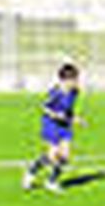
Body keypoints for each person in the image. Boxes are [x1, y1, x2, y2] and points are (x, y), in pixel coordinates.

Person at [23, 63, 84, 193]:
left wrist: (75, 118)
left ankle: (51, 182)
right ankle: (31, 171)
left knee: (65, 155)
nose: (76, 82)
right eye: (74, 79)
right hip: (51, 124)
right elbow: (45, 107)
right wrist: (55, 115)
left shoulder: (74, 92)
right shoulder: (56, 92)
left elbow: (68, 110)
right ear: (65, 80)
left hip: (64, 125)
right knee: (52, 155)